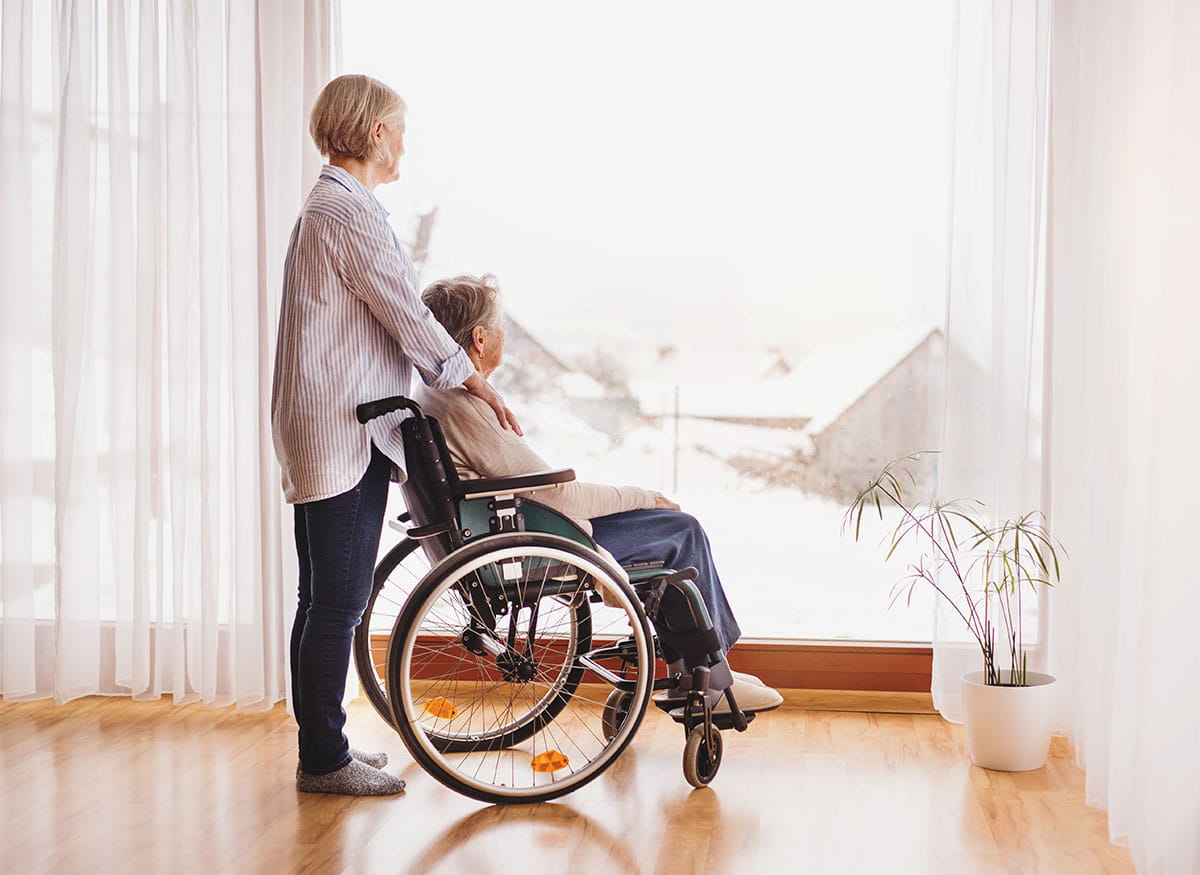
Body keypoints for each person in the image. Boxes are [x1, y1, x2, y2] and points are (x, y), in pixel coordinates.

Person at [270, 76, 519, 796]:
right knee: (337, 600)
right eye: (399, 128)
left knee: (320, 597)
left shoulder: (337, 207)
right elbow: (406, 310)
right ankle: (323, 760)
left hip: (334, 422)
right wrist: (469, 378)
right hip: (340, 429)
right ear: (376, 131)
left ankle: (324, 746)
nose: (404, 141)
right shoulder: (345, 211)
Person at [412, 274, 783, 713]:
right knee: (681, 531)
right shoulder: (464, 404)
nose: (504, 335)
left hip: (506, 528)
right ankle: (711, 678)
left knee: (666, 529)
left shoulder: (434, 394)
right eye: (499, 326)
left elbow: (544, 490)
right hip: (531, 540)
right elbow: (563, 498)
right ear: (479, 338)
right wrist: (644, 496)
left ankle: (692, 666)